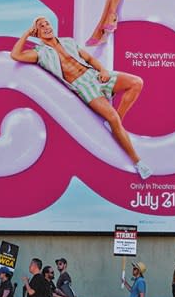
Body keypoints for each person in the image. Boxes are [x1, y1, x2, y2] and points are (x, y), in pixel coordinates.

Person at [11, 16, 151, 180]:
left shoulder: (68, 42)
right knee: (112, 118)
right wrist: (27, 33)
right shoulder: (39, 53)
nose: (46, 27)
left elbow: (90, 59)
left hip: (94, 75)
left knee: (136, 83)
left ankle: (116, 124)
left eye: (47, 23)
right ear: (37, 32)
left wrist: (103, 71)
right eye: (41, 26)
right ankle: (138, 162)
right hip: (82, 85)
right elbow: (15, 55)